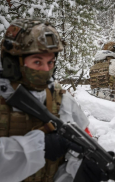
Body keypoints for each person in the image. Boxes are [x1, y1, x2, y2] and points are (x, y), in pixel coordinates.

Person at [0, 18, 103, 182]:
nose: (46, 70)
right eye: (37, 62)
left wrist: (81, 170)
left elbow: (80, 145)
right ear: (12, 63)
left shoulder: (62, 99)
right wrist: (40, 145)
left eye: (51, 62)